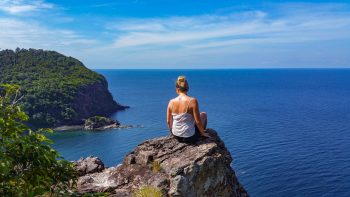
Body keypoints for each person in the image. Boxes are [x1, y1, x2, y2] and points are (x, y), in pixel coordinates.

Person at [167, 76, 210, 143]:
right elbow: (198, 121)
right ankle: (202, 134)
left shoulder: (171, 102)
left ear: (177, 89)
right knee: (203, 115)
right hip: (190, 137)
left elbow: (168, 121)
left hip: (176, 136)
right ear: (188, 88)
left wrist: (172, 133)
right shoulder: (192, 101)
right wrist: (203, 133)